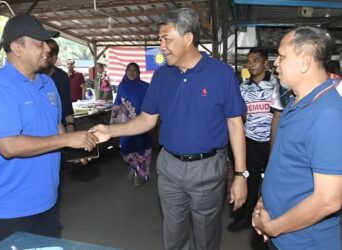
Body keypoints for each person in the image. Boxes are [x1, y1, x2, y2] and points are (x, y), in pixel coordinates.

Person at [90, 8, 248, 250]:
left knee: (207, 237)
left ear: (188, 38)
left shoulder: (221, 73)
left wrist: (240, 175)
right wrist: (111, 131)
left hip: (207, 167)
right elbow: (147, 119)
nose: (161, 46)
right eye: (159, 39)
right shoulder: (162, 76)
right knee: (173, 236)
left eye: (166, 39)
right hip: (169, 167)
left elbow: (235, 125)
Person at [0, 14, 98, 245]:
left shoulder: (47, 83)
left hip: (48, 200)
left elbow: (56, 126)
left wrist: (74, 149)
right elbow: (8, 146)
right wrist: (65, 141)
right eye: (39, 43)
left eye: (46, 43)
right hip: (10, 208)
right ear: (16, 47)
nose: (47, 49)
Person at [252, 26, 342, 250]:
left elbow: (328, 200)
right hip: (281, 234)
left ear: (305, 62)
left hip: (303, 243)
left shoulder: (328, 115)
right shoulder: (295, 102)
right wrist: (264, 203)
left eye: (282, 57)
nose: (275, 63)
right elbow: (286, 165)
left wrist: (274, 227)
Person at [228, 48, 278, 232]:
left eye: (256, 60)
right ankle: (246, 218)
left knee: (273, 181)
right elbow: (238, 116)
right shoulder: (243, 87)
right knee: (250, 181)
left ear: (266, 63)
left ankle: (272, 218)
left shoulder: (276, 85)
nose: (252, 63)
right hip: (251, 142)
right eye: (249, 60)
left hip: (272, 142)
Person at [110, 62, 152, 187]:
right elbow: (117, 104)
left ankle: (139, 175)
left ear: (138, 72)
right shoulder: (122, 86)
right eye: (129, 70)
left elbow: (151, 104)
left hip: (141, 124)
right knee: (125, 150)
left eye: (134, 70)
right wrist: (113, 124)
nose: (131, 73)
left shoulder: (146, 86)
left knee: (141, 150)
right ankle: (134, 169)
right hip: (126, 126)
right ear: (126, 72)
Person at [42, 39, 75, 132]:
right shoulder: (35, 75)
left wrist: (70, 125)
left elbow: (66, 103)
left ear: (55, 57)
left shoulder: (62, 76)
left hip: (61, 128)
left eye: (50, 55)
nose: (46, 58)